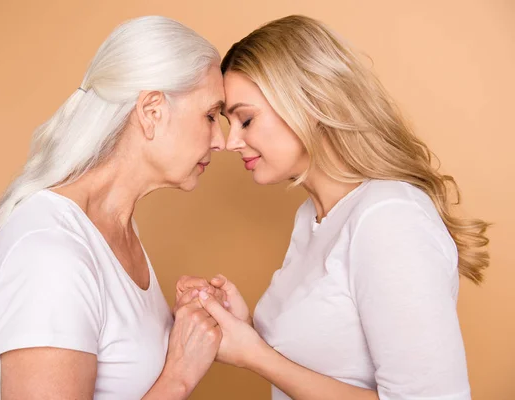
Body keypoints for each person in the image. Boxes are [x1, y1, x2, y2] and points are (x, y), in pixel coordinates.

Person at [177, 15, 490, 400]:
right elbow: (328, 360)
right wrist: (245, 328)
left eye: (246, 119)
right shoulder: (313, 216)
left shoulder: (387, 216)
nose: (231, 142)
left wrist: (255, 356)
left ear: (309, 102)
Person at [0, 16, 229, 400]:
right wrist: (179, 374)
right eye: (210, 116)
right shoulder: (50, 253)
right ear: (152, 110)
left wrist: (178, 333)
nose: (220, 141)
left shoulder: (114, 230)